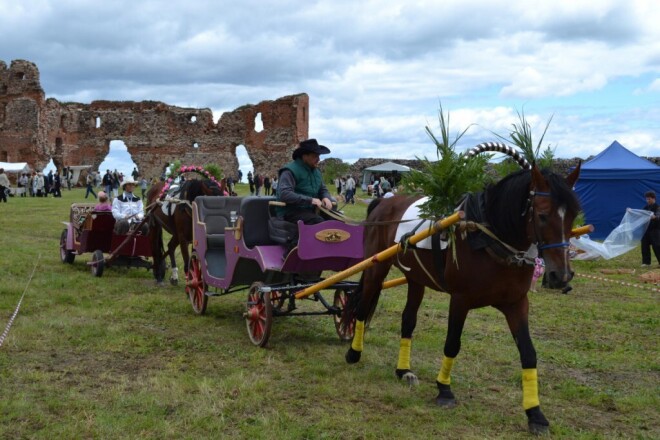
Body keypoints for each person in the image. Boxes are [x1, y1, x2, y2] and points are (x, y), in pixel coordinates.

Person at [275, 138, 333, 225]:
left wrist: (326, 197)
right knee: (319, 222)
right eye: (315, 156)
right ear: (304, 156)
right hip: (290, 211)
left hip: (311, 211)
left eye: (318, 156)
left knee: (338, 221)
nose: (318, 159)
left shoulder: (316, 172)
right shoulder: (289, 171)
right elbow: (285, 194)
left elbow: (322, 189)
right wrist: (311, 200)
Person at [641, 191, 660, 267]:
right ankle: (646, 263)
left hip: (655, 230)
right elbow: (639, 214)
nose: (647, 201)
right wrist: (630, 211)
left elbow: (658, 216)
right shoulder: (646, 208)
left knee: (657, 246)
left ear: (653, 199)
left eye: (649, 199)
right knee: (644, 246)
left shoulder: (658, 207)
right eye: (647, 199)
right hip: (646, 230)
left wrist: (655, 217)